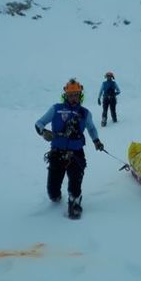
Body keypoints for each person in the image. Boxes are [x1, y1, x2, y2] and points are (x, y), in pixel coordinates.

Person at [35, 78, 104, 219]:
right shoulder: (56, 109)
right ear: (65, 95)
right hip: (57, 154)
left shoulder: (85, 113)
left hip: (76, 154)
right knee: (53, 194)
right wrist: (44, 132)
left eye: (76, 95)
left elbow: (91, 128)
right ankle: (56, 194)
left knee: (75, 181)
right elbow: (39, 123)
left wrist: (96, 141)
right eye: (71, 95)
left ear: (80, 95)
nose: (73, 98)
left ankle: (75, 202)